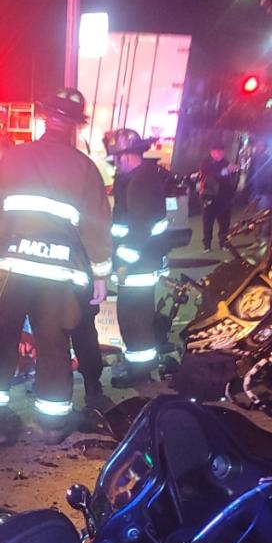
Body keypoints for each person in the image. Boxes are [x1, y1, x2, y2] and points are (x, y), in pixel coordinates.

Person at [0, 88, 112, 444]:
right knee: (53, 346)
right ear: (77, 125)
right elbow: (97, 226)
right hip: (58, 278)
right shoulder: (84, 168)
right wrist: (102, 274)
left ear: (45, 117)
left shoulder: (14, 159)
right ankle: (51, 425)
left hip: (12, 270)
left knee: (0, 342)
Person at [104, 128, 169, 387]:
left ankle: (140, 374)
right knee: (132, 318)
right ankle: (137, 367)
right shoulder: (138, 179)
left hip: (138, 265)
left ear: (125, 156)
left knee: (136, 320)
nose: (115, 164)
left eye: (116, 158)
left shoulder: (141, 182)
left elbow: (139, 228)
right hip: (140, 262)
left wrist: (122, 263)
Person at [199, 142, 239, 252]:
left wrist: (234, 171)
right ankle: (207, 244)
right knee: (208, 222)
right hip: (210, 197)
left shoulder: (226, 163)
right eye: (217, 151)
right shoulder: (206, 163)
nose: (219, 153)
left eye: (221, 151)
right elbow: (211, 176)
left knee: (224, 223)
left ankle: (223, 243)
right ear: (211, 152)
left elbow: (232, 180)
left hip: (224, 198)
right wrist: (225, 171)